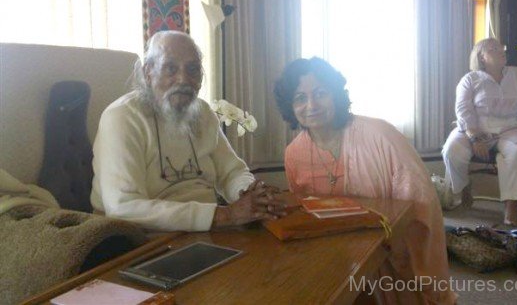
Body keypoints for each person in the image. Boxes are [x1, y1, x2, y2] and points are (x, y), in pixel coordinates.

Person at [274, 57, 455, 305]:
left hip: (396, 250)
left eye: (321, 93)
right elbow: (306, 213)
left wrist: (398, 245)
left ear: (336, 95)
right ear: (290, 107)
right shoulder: (294, 154)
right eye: (300, 98)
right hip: (336, 256)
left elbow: (421, 202)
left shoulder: (381, 135)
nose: (311, 105)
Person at [91, 31, 285, 232]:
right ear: (148, 72)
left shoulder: (202, 112)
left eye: (193, 69)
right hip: (141, 238)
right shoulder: (122, 117)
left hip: (208, 228)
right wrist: (226, 214)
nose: (183, 79)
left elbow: (232, 172)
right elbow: (123, 207)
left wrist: (248, 195)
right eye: (171, 68)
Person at [442, 38, 517, 225]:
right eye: (493, 49)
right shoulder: (470, 79)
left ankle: (511, 209)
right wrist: (474, 137)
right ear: (482, 56)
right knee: (452, 151)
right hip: (474, 126)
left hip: (511, 127)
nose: (501, 50)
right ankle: (464, 189)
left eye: (501, 47)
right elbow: (463, 110)